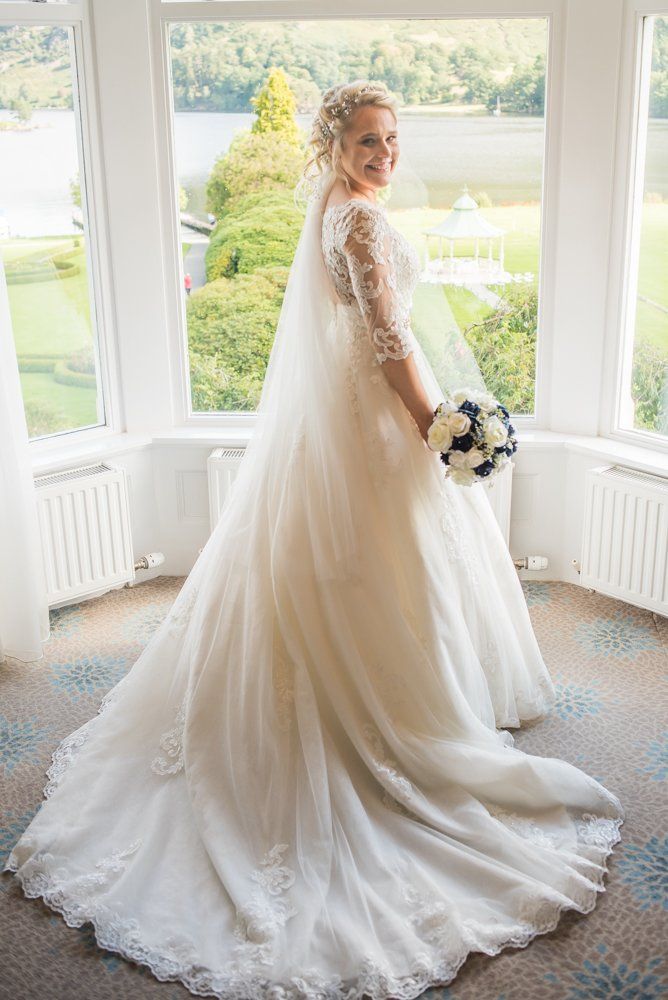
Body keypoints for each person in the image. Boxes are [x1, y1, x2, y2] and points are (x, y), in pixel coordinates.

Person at [3, 81, 624, 998]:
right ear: (336, 146)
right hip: (372, 419)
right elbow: (389, 339)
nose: (385, 154)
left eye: (393, 139)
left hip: (333, 426)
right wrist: (438, 425)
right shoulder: (362, 224)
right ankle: (395, 712)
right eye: (369, 141)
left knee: (350, 571)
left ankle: (410, 689)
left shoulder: (336, 208)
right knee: (385, 569)